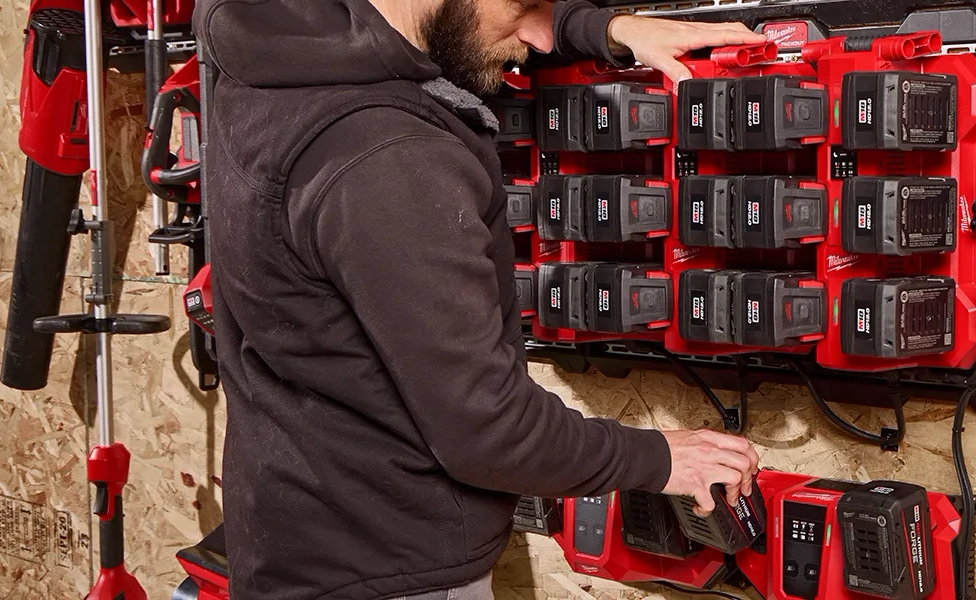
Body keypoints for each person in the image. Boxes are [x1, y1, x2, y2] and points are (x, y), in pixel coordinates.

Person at [195, 1, 767, 598]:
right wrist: (662, 459)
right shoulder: (388, 156)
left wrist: (604, 28)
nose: (540, 39)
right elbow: (490, 432)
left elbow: (455, 24)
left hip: (298, 537)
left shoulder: (273, 52)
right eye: (527, 5)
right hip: (393, 572)